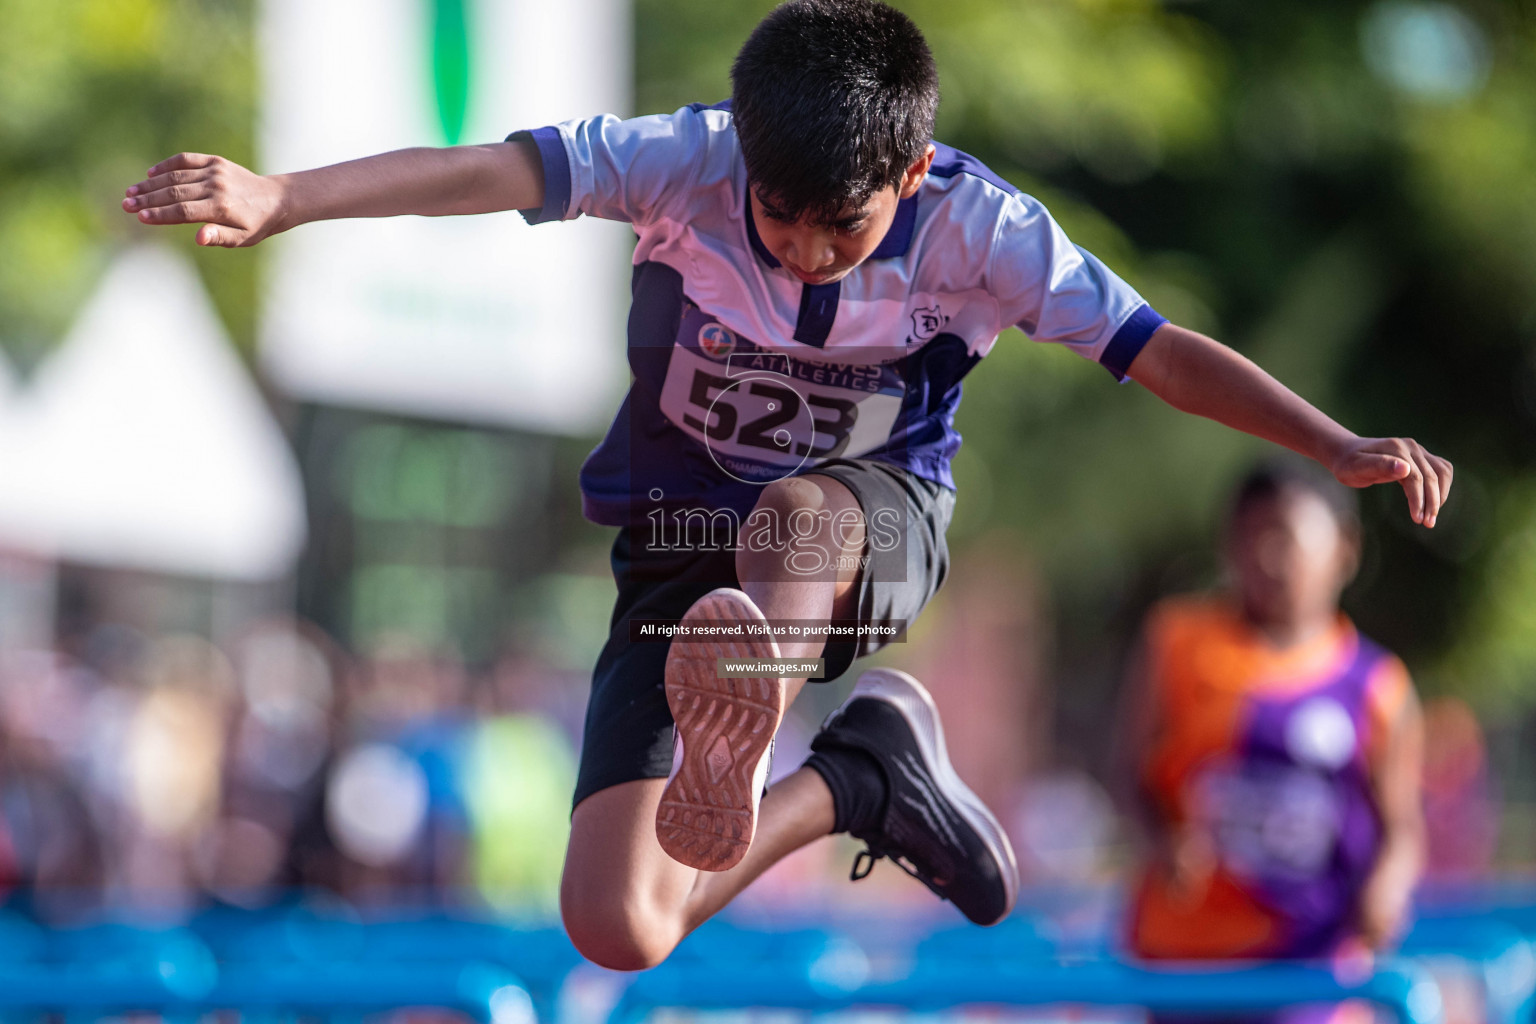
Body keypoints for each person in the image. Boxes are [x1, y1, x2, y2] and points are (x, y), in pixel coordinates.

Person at [123, 0, 1451, 970]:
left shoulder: (985, 231)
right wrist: (284, 196)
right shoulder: (682, 160)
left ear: (914, 176)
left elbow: (1156, 352)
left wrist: (1328, 444)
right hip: (677, 552)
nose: (809, 253)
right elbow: (494, 170)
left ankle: (760, 687)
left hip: (867, 527)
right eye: (779, 216)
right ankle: (853, 780)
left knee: (794, 512)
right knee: (622, 923)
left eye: (847, 227)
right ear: (741, 155)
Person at [1120, 460, 1425, 984]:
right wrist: (1160, 837)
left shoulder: (1377, 684)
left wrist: (1388, 889)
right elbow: (1126, 770)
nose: (1266, 558)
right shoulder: (1176, 642)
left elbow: (1401, 825)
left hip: (1311, 963)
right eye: (1248, 539)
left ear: (1344, 549)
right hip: (1184, 959)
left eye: (1284, 538)